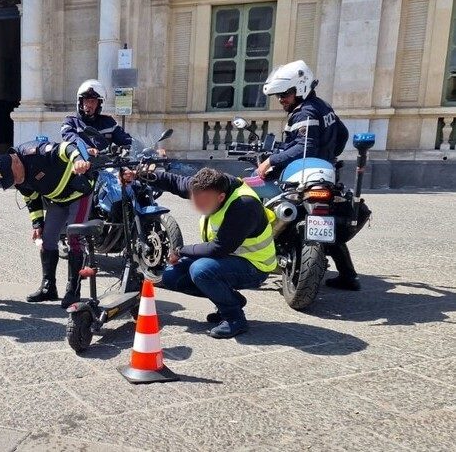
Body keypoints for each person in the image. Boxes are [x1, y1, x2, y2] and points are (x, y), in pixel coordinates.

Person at [136, 166, 276, 339]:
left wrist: (180, 251)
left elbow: (218, 248)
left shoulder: (244, 205)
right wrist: (140, 174)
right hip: (227, 257)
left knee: (201, 271)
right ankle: (232, 300)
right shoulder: (205, 187)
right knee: (171, 276)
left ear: (221, 197)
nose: (199, 206)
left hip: (255, 266)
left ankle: (234, 319)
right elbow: (175, 182)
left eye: (203, 203)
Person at [259, 60, 361, 292]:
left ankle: (260, 253)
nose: (281, 99)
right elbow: (342, 134)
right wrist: (329, 158)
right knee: (328, 224)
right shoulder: (323, 107)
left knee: (263, 195)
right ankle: (348, 276)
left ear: (300, 89)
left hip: (304, 174)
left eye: (285, 94)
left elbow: (305, 145)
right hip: (324, 173)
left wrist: (270, 161)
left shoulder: (304, 113)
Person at [0, 139, 93, 308]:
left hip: (79, 192)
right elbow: (31, 199)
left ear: (15, 161)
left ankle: (73, 290)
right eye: (11, 180)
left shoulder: (37, 152)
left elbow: (66, 147)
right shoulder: (17, 179)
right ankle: (48, 287)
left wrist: (77, 160)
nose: (15, 181)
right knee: (47, 240)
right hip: (57, 199)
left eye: (13, 176)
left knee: (74, 237)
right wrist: (37, 224)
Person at [61, 79, 131, 154]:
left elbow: (125, 139)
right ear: (80, 102)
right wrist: (86, 148)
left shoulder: (108, 123)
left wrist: (139, 148)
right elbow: (71, 138)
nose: (89, 105)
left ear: (99, 104)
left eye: (93, 101)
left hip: (105, 163)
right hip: (80, 163)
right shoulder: (71, 122)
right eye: (86, 100)